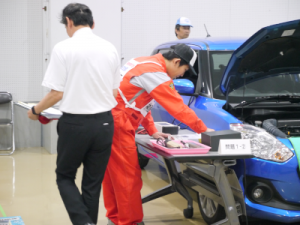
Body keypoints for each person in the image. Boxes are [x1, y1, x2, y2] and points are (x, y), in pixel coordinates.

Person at [27, 3, 120, 225]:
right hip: (105, 124)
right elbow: (114, 90)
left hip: (75, 125)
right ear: (93, 24)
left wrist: (35, 110)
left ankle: (84, 223)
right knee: (92, 183)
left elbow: (56, 93)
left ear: (69, 22)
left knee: (65, 177)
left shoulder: (64, 48)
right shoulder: (110, 48)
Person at [103, 43, 214, 225]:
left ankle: (115, 218)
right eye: (184, 71)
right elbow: (177, 107)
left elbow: (139, 103)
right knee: (127, 177)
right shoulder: (156, 73)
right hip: (120, 123)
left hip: (110, 120)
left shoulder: (141, 62)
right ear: (176, 61)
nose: (181, 76)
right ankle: (130, 222)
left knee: (112, 174)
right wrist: (203, 129)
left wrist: (152, 130)